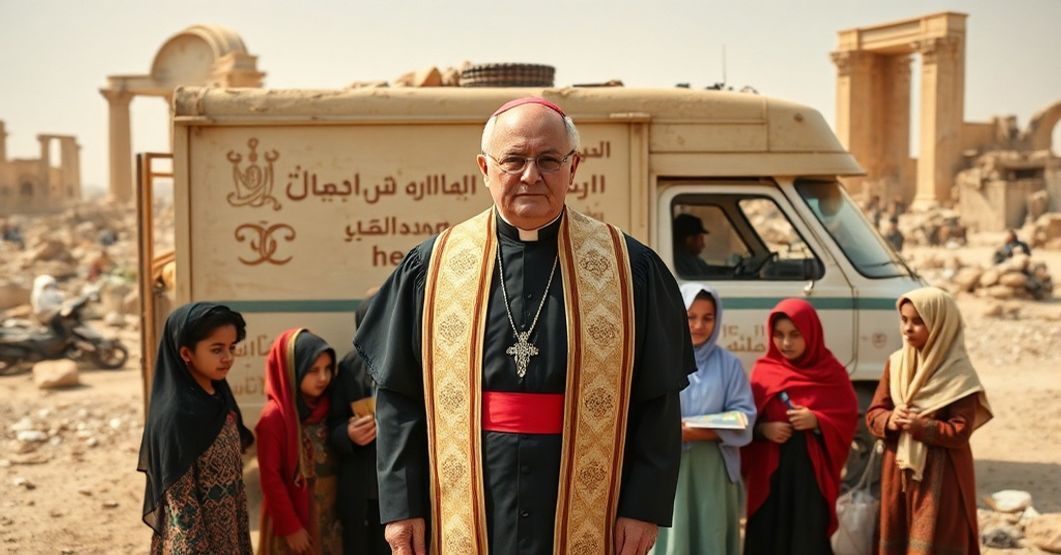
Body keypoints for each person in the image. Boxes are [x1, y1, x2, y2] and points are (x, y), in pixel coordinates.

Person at [355, 97, 694, 555]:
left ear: (573, 168)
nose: (531, 175)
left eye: (549, 160)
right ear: (484, 167)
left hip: (589, 501)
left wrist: (644, 507)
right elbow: (398, 397)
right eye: (513, 159)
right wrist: (400, 507)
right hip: (463, 499)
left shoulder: (628, 267)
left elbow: (657, 400)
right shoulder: (432, 267)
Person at [865, 287, 992, 554]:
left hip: (942, 478)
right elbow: (874, 413)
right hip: (897, 473)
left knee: (936, 542)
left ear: (940, 325)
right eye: (904, 319)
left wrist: (919, 426)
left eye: (918, 321)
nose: (908, 328)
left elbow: (959, 431)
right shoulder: (896, 363)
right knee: (897, 534)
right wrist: (890, 419)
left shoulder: (958, 374)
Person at [742, 298, 858, 554]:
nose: (786, 343)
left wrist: (817, 421)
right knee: (766, 537)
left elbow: (847, 418)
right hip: (770, 478)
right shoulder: (763, 372)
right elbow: (744, 420)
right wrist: (764, 430)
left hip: (810, 479)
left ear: (811, 333)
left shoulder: (831, 373)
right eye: (779, 335)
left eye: (795, 334)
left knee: (807, 538)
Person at [137, 303, 255, 553]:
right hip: (197, 543)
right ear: (186, 354)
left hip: (232, 533)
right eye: (216, 349)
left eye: (231, 347)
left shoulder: (219, 397)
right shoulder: (176, 416)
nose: (228, 358)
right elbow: (182, 507)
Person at [652, 284, 755, 555]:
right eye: (690, 316)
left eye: (708, 318)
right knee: (673, 537)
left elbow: (744, 416)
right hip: (668, 467)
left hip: (713, 470)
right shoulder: (661, 360)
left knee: (710, 534)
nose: (699, 325)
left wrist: (691, 431)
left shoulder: (729, 364)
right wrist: (674, 432)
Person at [257, 328, 343, 554]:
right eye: (313, 370)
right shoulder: (274, 417)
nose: (323, 378)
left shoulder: (327, 406)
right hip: (294, 519)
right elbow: (270, 477)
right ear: (292, 371)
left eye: (327, 369)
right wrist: (290, 526)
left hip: (328, 514)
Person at [329, 296, 389, 554]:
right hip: (360, 487)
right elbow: (333, 423)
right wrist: (348, 434)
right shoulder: (349, 367)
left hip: (398, 487)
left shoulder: (413, 363)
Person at [672, 213, 713, 278]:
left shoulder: (689, 259)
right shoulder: (683, 262)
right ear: (689, 240)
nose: (703, 245)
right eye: (701, 239)